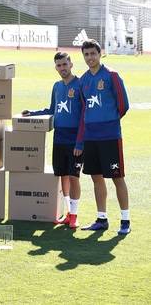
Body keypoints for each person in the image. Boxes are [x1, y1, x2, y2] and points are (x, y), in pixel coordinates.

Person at [22, 52, 83, 229]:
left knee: (74, 176)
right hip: (59, 138)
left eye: (65, 64)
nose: (62, 68)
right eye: (59, 65)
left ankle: (74, 215)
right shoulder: (56, 86)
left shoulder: (80, 85)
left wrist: (80, 142)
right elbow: (51, 109)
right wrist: (32, 113)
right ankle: (67, 213)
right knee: (62, 175)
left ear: (71, 64)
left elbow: (85, 115)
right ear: (55, 67)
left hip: (75, 140)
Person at [76, 39, 131, 235]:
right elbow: (84, 111)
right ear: (83, 56)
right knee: (96, 178)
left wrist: (108, 121)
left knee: (117, 178)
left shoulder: (112, 76)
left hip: (110, 137)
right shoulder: (82, 80)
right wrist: (82, 139)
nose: (90, 57)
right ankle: (102, 219)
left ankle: (125, 220)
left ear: (100, 54)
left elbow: (123, 105)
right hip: (91, 138)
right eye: (86, 54)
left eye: (93, 53)